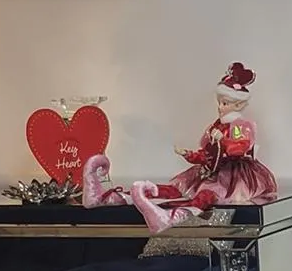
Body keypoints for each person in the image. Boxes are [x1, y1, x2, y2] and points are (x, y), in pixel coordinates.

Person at [83, 62, 278, 233]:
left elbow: (239, 147)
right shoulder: (215, 126)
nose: (220, 107)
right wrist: (189, 155)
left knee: (206, 196)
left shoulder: (240, 126)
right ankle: (112, 197)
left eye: (225, 103)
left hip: (233, 177)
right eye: (219, 102)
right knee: (177, 189)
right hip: (211, 171)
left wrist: (224, 141)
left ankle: (171, 218)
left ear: (238, 104)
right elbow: (208, 155)